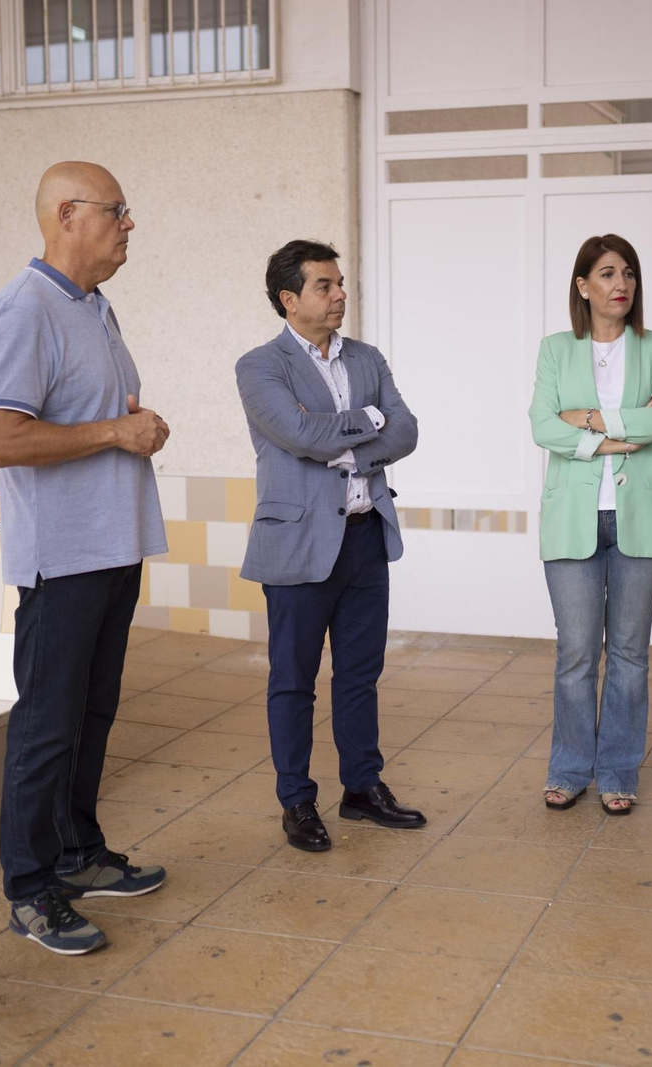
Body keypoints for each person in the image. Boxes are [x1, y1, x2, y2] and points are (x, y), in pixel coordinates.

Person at [0, 162, 171, 956]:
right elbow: (3, 439)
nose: (130, 224)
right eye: (117, 211)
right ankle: (30, 887)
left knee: (93, 715)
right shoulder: (23, 310)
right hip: (62, 560)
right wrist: (114, 432)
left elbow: (94, 412)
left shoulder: (93, 304)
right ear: (67, 214)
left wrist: (132, 421)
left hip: (113, 546)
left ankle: (78, 854)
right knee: (48, 726)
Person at [235, 239, 424, 852]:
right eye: (325, 285)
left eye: (340, 283)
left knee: (360, 674)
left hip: (365, 535)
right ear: (290, 300)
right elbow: (297, 434)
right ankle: (297, 800)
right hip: (297, 544)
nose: (340, 293)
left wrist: (350, 436)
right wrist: (368, 424)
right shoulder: (261, 367)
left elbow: (407, 430)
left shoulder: (366, 358)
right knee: (293, 678)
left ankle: (362, 788)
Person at [530, 234, 652, 816]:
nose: (621, 285)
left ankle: (618, 769)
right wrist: (618, 436)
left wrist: (587, 422)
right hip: (572, 517)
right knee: (575, 653)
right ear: (583, 285)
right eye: (608, 273)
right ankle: (570, 769)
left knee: (629, 652)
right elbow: (543, 426)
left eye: (629, 274)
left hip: (641, 518)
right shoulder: (555, 349)